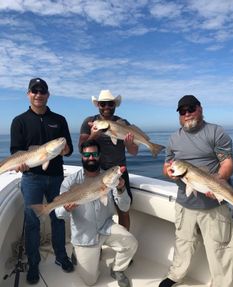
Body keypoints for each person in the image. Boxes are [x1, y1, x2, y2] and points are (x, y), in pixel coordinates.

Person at [159, 95, 233, 287]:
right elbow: (167, 164)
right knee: (183, 242)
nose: (187, 114)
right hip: (185, 203)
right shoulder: (173, 138)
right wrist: (169, 173)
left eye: (190, 109)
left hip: (213, 204)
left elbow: (227, 162)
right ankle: (176, 274)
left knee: (219, 248)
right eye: (182, 112)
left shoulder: (216, 132)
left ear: (200, 109)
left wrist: (217, 182)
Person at [10, 78, 74, 284]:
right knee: (31, 222)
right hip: (31, 178)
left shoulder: (59, 119)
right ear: (28, 94)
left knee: (58, 218)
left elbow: (68, 148)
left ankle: (61, 257)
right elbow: (15, 151)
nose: (38, 94)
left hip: (55, 177)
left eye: (42, 91)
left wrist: (63, 148)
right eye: (34, 90)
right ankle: (34, 263)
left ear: (48, 94)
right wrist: (20, 164)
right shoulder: (19, 121)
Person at [55, 140, 138, 287]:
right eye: (87, 154)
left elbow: (124, 207)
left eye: (94, 154)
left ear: (99, 156)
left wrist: (121, 189)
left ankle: (118, 269)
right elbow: (59, 214)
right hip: (85, 235)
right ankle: (77, 250)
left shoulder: (110, 180)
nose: (91, 157)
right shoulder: (70, 182)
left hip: (106, 227)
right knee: (90, 281)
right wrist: (65, 209)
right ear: (82, 157)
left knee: (131, 243)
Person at [79, 90, 138, 230]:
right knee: (95, 211)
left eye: (110, 104)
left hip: (119, 172)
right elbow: (81, 149)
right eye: (103, 104)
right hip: (96, 173)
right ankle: (95, 245)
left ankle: (124, 244)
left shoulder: (123, 123)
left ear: (115, 105)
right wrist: (93, 136)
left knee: (123, 210)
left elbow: (134, 152)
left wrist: (129, 144)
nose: (106, 107)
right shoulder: (90, 122)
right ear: (98, 105)